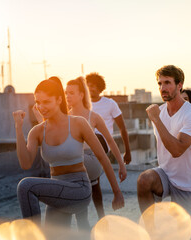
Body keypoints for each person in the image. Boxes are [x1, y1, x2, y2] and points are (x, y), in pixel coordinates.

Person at [13, 77, 124, 230]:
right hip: (57, 190)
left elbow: (102, 158)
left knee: (25, 186)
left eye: (46, 102)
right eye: (38, 102)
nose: (41, 107)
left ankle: (32, 235)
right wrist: (18, 128)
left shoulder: (79, 123)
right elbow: (25, 163)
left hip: (79, 189)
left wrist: (117, 192)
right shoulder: (36, 132)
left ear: (59, 100)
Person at [137, 65, 191, 225]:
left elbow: (176, 150)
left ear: (179, 85)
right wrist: (158, 118)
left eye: (167, 83)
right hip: (165, 175)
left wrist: (157, 120)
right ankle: (150, 231)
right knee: (144, 180)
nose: (162, 88)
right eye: (160, 84)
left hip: (187, 183)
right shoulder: (158, 112)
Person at [65, 76, 127, 222]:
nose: (67, 96)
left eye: (71, 93)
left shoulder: (93, 117)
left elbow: (110, 141)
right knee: (83, 203)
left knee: (89, 187)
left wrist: (121, 165)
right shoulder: (65, 117)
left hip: (91, 160)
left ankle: (100, 218)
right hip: (75, 165)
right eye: (66, 93)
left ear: (81, 95)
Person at [86, 72, 131, 165]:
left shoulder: (110, 104)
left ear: (99, 88)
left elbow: (122, 128)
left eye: (93, 86)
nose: (90, 89)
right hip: (86, 145)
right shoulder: (83, 105)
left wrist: (128, 151)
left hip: (104, 144)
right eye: (88, 86)